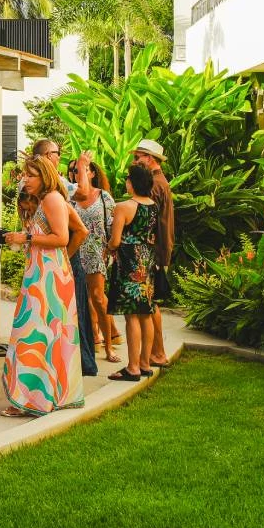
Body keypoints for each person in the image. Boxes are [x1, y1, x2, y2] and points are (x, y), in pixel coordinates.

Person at [0, 156, 84, 417]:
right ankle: (41, 396)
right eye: (25, 174)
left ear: (45, 175)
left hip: (47, 279)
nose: (25, 179)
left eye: (31, 175)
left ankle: (33, 400)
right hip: (43, 273)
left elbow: (63, 236)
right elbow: (81, 231)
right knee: (42, 334)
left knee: (34, 335)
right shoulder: (48, 200)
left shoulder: (52, 199)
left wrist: (27, 238)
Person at [32, 141, 96, 375]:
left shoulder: (51, 193)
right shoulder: (49, 189)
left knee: (70, 310)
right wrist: (81, 165)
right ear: (46, 156)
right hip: (50, 258)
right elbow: (83, 192)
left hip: (55, 255)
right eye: (57, 153)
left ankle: (76, 363)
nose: (59, 157)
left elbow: (77, 230)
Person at [106, 163, 159, 383]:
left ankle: (133, 367)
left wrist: (108, 247)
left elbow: (116, 240)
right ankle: (145, 363)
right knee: (146, 314)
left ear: (132, 182)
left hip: (129, 265)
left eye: (128, 178)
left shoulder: (124, 207)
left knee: (131, 317)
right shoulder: (153, 205)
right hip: (147, 262)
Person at [68, 155, 123, 362]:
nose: (75, 173)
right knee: (79, 300)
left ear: (91, 173)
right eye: (72, 170)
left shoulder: (103, 197)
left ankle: (109, 346)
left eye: (80, 169)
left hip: (96, 252)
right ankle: (90, 342)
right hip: (74, 251)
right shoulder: (69, 196)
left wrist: (110, 250)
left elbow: (112, 225)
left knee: (99, 299)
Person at [132, 139, 175, 368]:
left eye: (138, 157)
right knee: (150, 303)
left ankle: (157, 352)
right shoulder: (159, 182)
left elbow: (147, 221)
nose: (135, 161)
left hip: (152, 251)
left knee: (149, 304)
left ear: (150, 159)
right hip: (156, 250)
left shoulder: (154, 184)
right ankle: (155, 352)